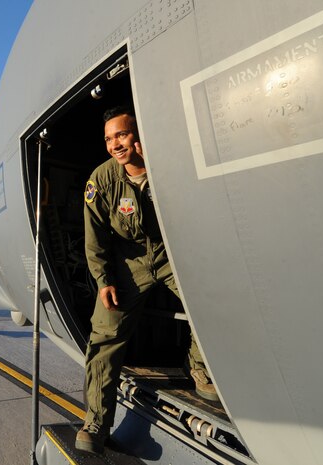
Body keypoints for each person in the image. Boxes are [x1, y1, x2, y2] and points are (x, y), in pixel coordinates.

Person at [75, 106, 218, 455]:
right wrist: (104, 279)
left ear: (138, 135)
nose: (115, 144)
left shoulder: (168, 164)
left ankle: (198, 367)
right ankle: (96, 422)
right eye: (109, 139)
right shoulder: (102, 180)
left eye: (121, 135)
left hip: (171, 255)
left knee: (210, 301)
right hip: (129, 262)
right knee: (105, 335)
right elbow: (94, 238)